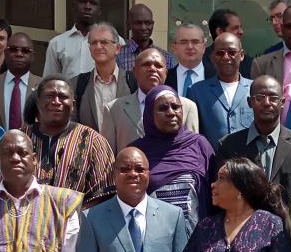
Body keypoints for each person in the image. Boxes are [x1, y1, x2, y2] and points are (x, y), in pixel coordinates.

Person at [217, 76, 291, 203]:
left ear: (282, 103)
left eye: (273, 98)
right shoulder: (228, 146)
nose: (266, 103)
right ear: (250, 102)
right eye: (259, 97)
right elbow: (223, 196)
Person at [130, 85, 216, 228]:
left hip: (198, 237)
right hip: (154, 238)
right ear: (150, 114)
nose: (171, 113)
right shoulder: (137, 152)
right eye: (163, 108)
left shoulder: (199, 144)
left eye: (176, 107)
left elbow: (216, 192)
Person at [24, 76, 116, 204]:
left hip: (76, 221)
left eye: (63, 97)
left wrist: (73, 220)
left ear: (73, 104)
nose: (56, 101)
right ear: (38, 102)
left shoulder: (94, 142)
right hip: (21, 220)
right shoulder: (19, 139)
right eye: (50, 96)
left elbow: (103, 196)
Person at [101, 48, 200, 152]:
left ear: (166, 73)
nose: (152, 69)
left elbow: (192, 152)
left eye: (158, 66)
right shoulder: (114, 109)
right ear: (134, 71)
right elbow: (107, 157)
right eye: (146, 64)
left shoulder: (187, 107)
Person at [187, 31, 251, 148]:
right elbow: (192, 134)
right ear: (213, 57)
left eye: (232, 52)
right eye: (220, 53)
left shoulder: (255, 89)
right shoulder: (197, 91)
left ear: (241, 55)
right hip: (213, 163)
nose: (226, 57)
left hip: (249, 163)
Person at [72, 22, 134, 133]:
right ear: (90, 49)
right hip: (89, 149)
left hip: (125, 149)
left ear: (118, 48)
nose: (98, 46)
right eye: (94, 43)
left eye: (104, 42)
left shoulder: (133, 82)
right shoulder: (77, 84)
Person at [0, 33, 41, 131]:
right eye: (13, 49)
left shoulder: (44, 87)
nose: (19, 54)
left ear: (32, 56)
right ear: (5, 53)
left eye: (25, 51)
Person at [45, 0, 109, 78]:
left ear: (99, 11)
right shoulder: (57, 43)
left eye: (93, 3)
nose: (87, 6)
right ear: (74, 7)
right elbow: (50, 81)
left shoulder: (114, 41)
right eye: (83, 2)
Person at [117, 3, 172, 73]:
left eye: (148, 23)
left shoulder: (165, 57)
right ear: (128, 25)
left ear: (152, 24)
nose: (143, 27)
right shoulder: (118, 56)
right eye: (138, 23)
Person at [207, 7, 253, 77]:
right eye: (235, 28)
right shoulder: (201, 61)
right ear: (220, 31)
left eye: (240, 27)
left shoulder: (248, 63)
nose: (241, 32)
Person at [165, 23, 209, 93]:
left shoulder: (216, 77)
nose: (190, 47)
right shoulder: (165, 78)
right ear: (174, 48)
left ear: (204, 47)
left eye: (195, 42)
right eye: (184, 42)